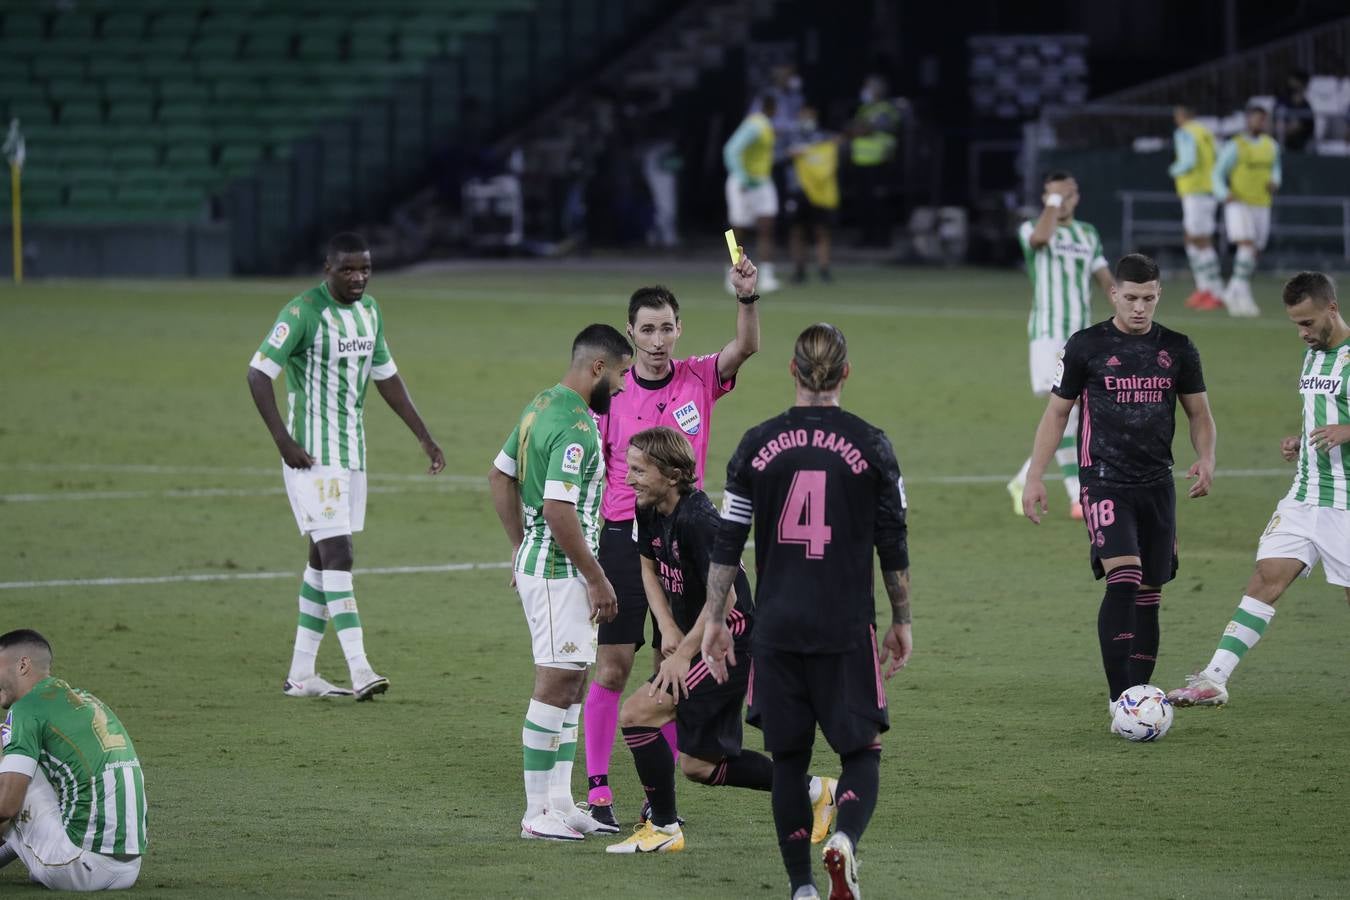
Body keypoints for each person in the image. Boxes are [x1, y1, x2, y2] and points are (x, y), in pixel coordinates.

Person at [701, 324, 914, 900]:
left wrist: (716, 620)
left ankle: (799, 887)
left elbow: (728, 540)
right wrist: (902, 620)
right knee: (861, 751)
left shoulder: (755, 444)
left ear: (792, 371)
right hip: (845, 625)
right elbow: (893, 543)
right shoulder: (872, 446)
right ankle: (843, 838)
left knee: (789, 762)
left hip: (776, 629)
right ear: (846, 373)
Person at [582, 255, 761, 830]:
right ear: (630, 333)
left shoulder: (698, 377)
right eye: (647, 328)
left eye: (667, 327)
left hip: (677, 537)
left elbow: (746, 348)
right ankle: (599, 789)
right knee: (612, 667)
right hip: (621, 537)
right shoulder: (611, 394)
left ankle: (659, 794)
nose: (658, 339)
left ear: (679, 329)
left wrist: (746, 298)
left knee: (670, 660)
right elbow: (592, 467)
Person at [605, 427, 837, 855]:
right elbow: (647, 568)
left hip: (730, 642)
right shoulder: (647, 506)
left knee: (637, 713)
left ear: (672, 475)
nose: (629, 476)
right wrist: (668, 628)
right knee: (699, 766)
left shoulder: (699, 521)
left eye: (639, 470)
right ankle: (814, 790)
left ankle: (665, 828)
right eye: (629, 467)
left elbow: (726, 598)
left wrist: (683, 655)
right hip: (699, 634)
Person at [247, 232, 445, 701]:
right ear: (327, 269)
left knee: (321, 559)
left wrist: (423, 435)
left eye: (365, 269)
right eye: (348, 270)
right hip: (311, 456)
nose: (358, 278)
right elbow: (258, 373)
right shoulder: (302, 313)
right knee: (340, 553)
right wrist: (283, 441)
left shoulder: (370, 312)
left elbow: (387, 378)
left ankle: (301, 674)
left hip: (351, 453)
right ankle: (360, 668)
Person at [1020, 253, 1216, 726]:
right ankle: (1120, 699)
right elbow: (1056, 413)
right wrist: (1034, 476)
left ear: (1158, 295)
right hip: (1104, 481)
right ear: (1113, 294)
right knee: (1124, 579)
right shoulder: (1086, 346)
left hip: (1156, 485)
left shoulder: (1178, 348)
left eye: (1148, 298)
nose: (1139, 308)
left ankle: (1140, 691)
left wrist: (1206, 457)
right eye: (1130, 298)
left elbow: (1199, 414)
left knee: (1150, 591)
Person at [1168, 272, 1350, 707]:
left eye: (1308, 323)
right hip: (1305, 496)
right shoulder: (1313, 357)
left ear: (1331, 309)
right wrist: (1300, 438)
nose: (1302, 333)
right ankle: (1214, 678)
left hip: (1345, 504)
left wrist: (1348, 430)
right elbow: (1324, 412)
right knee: (1266, 578)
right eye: (1296, 325)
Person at [488, 324, 633, 842]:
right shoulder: (575, 425)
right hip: (559, 573)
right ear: (598, 367)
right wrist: (596, 578)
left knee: (572, 681)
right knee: (555, 681)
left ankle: (560, 801)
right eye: (618, 376)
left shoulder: (540, 404)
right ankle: (534, 812)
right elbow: (557, 508)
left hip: (546, 564)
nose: (619, 387)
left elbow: (500, 474)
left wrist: (517, 544)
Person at [0, 630, 146, 891]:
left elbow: (7, 806)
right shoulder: (84, 699)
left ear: (23, 665)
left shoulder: (25, 709)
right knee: (25, 768)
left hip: (78, 866)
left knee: (9, 761)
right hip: (128, 869)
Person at [1008, 171, 1115, 521]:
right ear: (1046, 198)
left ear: (1078, 196)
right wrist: (1052, 203)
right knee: (1068, 408)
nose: (1065, 200)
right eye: (1058, 195)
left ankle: (1031, 481)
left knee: (1075, 411)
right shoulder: (1033, 228)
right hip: (1048, 333)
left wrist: (1128, 312)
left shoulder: (1088, 234)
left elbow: (1105, 281)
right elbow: (1039, 239)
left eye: (1070, 194)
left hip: (1080, 337)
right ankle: (1074, 494)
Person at [1213, 103, 1282, 317]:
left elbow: (1276, 169)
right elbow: (1217, 173)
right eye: (1256, 118)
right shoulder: (1235, 145)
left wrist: (1275, 182)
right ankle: (1243, 296)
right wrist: (1224, 193)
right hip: (1238, 202)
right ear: (1247, 120)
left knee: (1255, 251)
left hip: (1262, 203)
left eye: (1263, 119)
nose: (1260, 123)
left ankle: (1232, 290)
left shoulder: (1271, 145)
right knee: (1247, 246)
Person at [1168, 105, 1224, 311]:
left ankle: (1215, 292)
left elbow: (1188, 161)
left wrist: (1174, 170)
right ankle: (1204, 288)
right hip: (1208, 191)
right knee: (1192, 239)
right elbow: (1219, 157)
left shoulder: (1185, 133)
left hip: (1196, 191)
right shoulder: (1207, 132)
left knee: (1200, 240)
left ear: (1183, 116)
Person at [724, 95, 781, 292]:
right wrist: (742, 176)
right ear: (772, 107)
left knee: (767, 226)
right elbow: (731, 150)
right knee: (737, 229)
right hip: (743, 182)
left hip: (762, 181)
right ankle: (734, 274)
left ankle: (766, 275)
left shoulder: (767, 127)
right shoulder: (754, 125)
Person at [786, 106, 842, 284]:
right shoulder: (790, 137)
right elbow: (776, 156)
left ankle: (824, 269)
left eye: (810, 117)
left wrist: (836, 144)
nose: (807, 120)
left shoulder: (823, 137)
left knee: (822, 230)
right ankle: (799, 269)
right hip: (797, 190)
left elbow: (840, 145)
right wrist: (790, 153)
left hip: (819, 191)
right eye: (804, 116)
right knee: (797, 231)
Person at [849, 74, 902, 248]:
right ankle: (866, 237)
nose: (865, 91)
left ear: (877, 90)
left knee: (879, 201)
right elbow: (853, 128)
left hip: (880, 161)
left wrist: (861, 128)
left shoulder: (886, 109)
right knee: (863, 202)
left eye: (868, 87)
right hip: (861, 161)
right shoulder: (864, 109)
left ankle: (882, 239)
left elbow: (866, 128)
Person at [1276, 69, 1315, 153]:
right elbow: (1273, 118)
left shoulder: (1305, 105)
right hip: (1281, 140)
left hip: (1300, 145)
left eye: (1295, 81)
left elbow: (1297, 127)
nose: (1291, 84)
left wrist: (1283, 130)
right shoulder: (1282, 100)